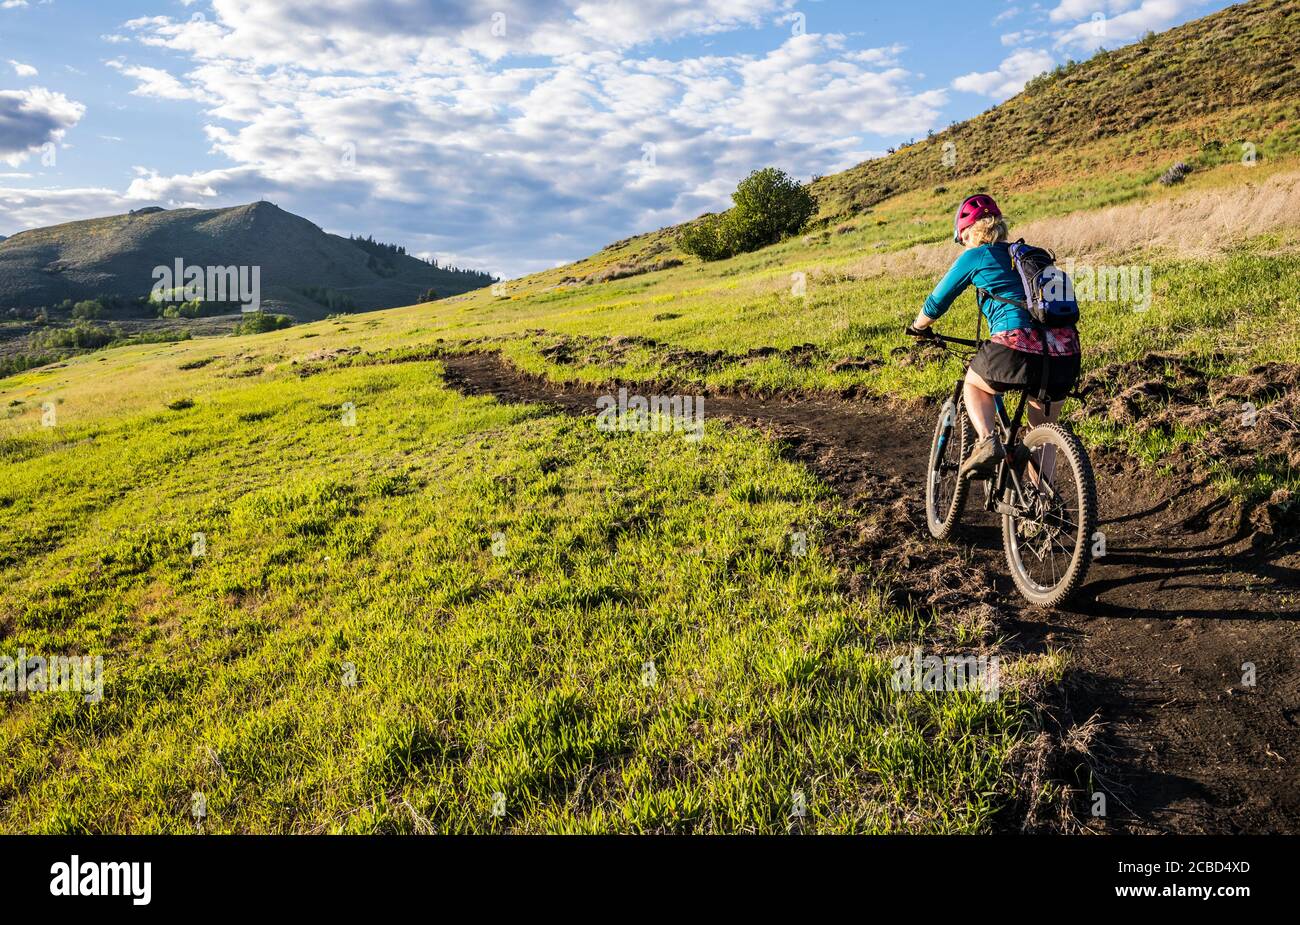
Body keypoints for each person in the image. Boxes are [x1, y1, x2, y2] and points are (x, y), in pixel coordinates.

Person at [907, 194, 1081, 479]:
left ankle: (988, 441)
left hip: (1016, 345)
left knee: (974, 385)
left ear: (968, 234)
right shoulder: (1030, 254)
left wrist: (919, 327)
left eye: (961, 239)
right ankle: (1043, 509)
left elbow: (936, 303)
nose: (963, 244)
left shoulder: (975, 255)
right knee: (1042, 431)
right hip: (1065, 351)